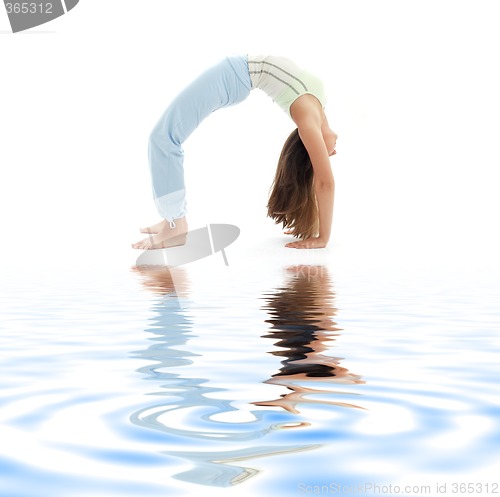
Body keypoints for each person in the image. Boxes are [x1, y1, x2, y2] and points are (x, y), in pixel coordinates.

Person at [132, 54, 337, 251]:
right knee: (164, 138)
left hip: (230, 76)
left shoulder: (309, 122)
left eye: (321, 155)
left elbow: (324, 182)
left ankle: (175, 226)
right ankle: (171, 219)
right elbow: (320, 177)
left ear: (309, 148)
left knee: (163, 139)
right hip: (234, 73)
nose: (331, 153)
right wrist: (316, 227)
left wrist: (323, 238)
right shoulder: (319, 105)